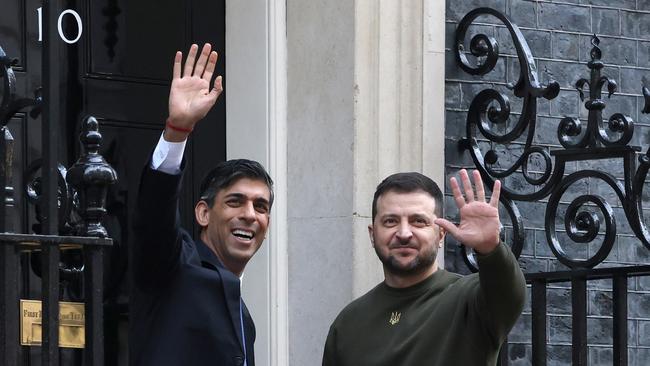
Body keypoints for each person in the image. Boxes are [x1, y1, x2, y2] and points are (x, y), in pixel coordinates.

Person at [131, 43, 271, 366]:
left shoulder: (243, 318)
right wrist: (177, 131)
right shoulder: (174, 266)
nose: (249, 215)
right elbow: (153, 218)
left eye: (261, 207)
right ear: (203, 213)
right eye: (235, 201)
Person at [322, 169, 526, 366]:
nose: (403, 233)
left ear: (441, 235)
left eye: (418, 221)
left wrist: (490, 247)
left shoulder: (470, 300)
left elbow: (508, 292)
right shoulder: (348, 323)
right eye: (390, 221)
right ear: (372, 234)